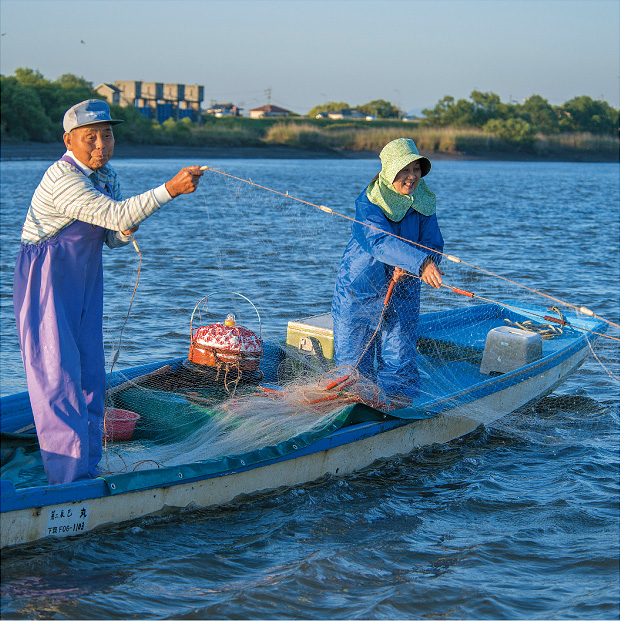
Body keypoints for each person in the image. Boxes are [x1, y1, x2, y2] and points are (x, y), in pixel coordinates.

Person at [13, 99, 204, 485]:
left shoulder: (106, 176)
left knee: (90, 375)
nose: (101, 144)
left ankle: (87, 466)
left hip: (85, 276)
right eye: (90, 137)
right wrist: (169, 190)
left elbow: (113, 236)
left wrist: (123, 231)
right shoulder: (62, 178)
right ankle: (67, 480)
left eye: (107, 134)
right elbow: (117, 214)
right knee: (58, 376)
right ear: (69, 140)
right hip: (46, 278)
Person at [332, 138, 444, 408]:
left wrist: (424, 262)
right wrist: (419, 263)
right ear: (390, 171)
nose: (412, 177)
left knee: (399, 360)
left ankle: (397, 412)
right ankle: (355, 411)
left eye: (416, 170)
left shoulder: (423, 203)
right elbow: (379, 242)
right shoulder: (370, 203)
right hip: (361, 288)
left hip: (403, 290)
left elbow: (433, 244)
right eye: (405, 171)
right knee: (353, 369)